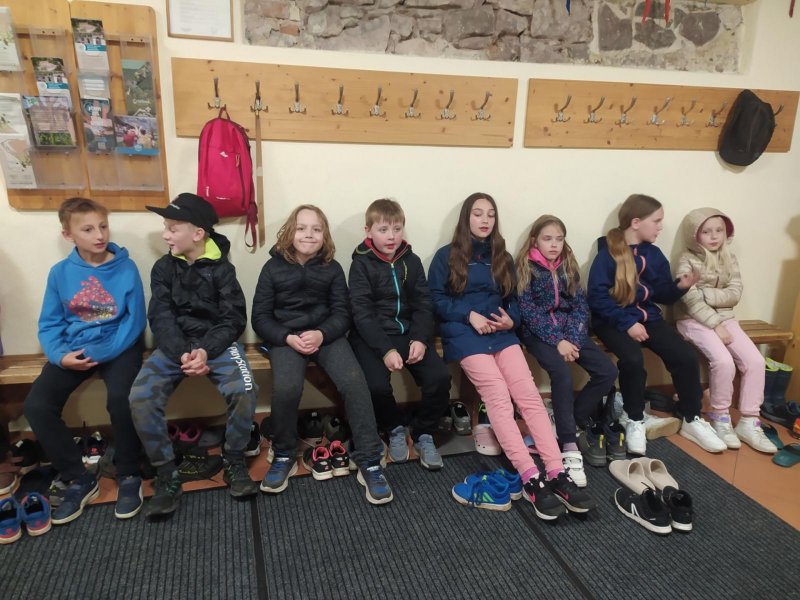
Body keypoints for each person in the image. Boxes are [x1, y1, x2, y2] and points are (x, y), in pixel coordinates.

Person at [428, 193, 594, 520]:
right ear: (466, 218)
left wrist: (511, 320)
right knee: (498, 398)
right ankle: (530, 477)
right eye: (478, 214)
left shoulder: (500, 255)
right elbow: (436, 299)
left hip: (501, 333)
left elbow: (514, 301)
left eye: (490, 214)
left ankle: (556, 472)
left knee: (529, 396)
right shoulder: (446, 256)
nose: (485, 220)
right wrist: (468, 315)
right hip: (464, 333)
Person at [251, 205, 393, 505]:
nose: (309, 234)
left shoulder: (332, 268)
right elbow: (260, 318)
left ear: (324, 235)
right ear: (290, 232)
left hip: (326, 336)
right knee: (287, 388)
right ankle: (284, 453)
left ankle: (369, 460)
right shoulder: (272, 268)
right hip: (286, 339)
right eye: (301, 228)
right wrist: (287, 337)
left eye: (316, 229)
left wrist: (322, 334)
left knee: (354, 382)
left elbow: (343, 313)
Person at [129, 193, 259, 520]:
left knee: (245, 389)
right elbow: (160, 316)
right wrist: (184, 352)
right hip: (175, 347)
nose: (165, 235)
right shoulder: (163, 268)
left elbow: (233, 319)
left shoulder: (222, 270)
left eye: (173, 228)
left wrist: (206, 350)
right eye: (165, 227)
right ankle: (166, 474)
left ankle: (234, 460)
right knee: (140, 396)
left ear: (198, 233)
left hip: (216, 345)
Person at [24, 197, 146, 523]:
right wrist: (61, 356)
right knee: (37, 406)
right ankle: (77, 477)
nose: (99, 235)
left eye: (103, 226)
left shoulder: (126, 267)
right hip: (74, 349)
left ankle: (129, 472)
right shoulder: (60, 273)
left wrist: (104, 353)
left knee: (121, 398)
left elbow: (135, 321)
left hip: (120, 346)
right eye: (88, 229)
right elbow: (49, 323)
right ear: (69, 235)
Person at [587, 194, 726, 456]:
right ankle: (634, 418)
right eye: (657, 221)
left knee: (684, 357)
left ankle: (691, 417)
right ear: (636, 222)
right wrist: (628, 323)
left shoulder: (654, 254)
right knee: (632, 359)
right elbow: (597, 297)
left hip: (648, 318)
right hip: (612, 320)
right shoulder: (608, 254)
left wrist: (680, 287)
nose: (661, 227)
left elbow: (661, 294)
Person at [515, 215, 618, 486]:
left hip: (571, 332)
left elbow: (580, 306)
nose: (554, 244)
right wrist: (557, 340)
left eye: (559, 239)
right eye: (547, 239)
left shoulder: (568, 265)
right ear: (535, 240)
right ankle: (568, 443)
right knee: (561, 373)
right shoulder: (525, 267)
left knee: (607, 371)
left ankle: (573, 418)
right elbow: (528, 311)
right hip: (538, 333)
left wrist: (571, 338)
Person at [348, 199, 451, 470]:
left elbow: (423, 304)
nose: (391, 236)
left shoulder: (412, 262)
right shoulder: (360, 264)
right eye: (383, 230)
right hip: (373, 337)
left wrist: (420, 338)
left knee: (440, 377)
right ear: (368, 231)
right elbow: (362, 314)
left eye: (396, 229)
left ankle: (424, 432)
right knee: (375, 386)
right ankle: (394, 427)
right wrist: (386, 350)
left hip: (409, 332)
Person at [673, 208, 777, 454]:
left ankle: (750, 421)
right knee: (723, 361)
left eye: (719, 230)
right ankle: (720, 417)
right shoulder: (686, 259)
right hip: (692, 319)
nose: (714, 236)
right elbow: (690, 299)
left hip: (727, 319)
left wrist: (707, 294)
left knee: (755, 361)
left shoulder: (729, 258)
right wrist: (715, 323)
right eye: (706, 232)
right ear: (694, 235)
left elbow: (735, 293)